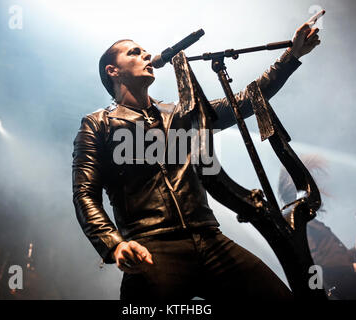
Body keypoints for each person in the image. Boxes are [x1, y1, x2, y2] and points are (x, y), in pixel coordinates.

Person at [72, 19, 321, 300]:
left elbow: (246, 101)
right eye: (133, 52)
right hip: (151, 246)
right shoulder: (97, 124)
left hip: (210, 238)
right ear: (112, 70)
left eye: (144, 51)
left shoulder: (180, 113)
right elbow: (84, 194)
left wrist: (292, 56)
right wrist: (115, 245)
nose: (145, 54)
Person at [278, 154, 356, 300]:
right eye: (312, 182)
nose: (317, 187)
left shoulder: (311, 222)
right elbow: (313, 267)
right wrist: (354, 269)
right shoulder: (298, 224)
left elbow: (333, 259)